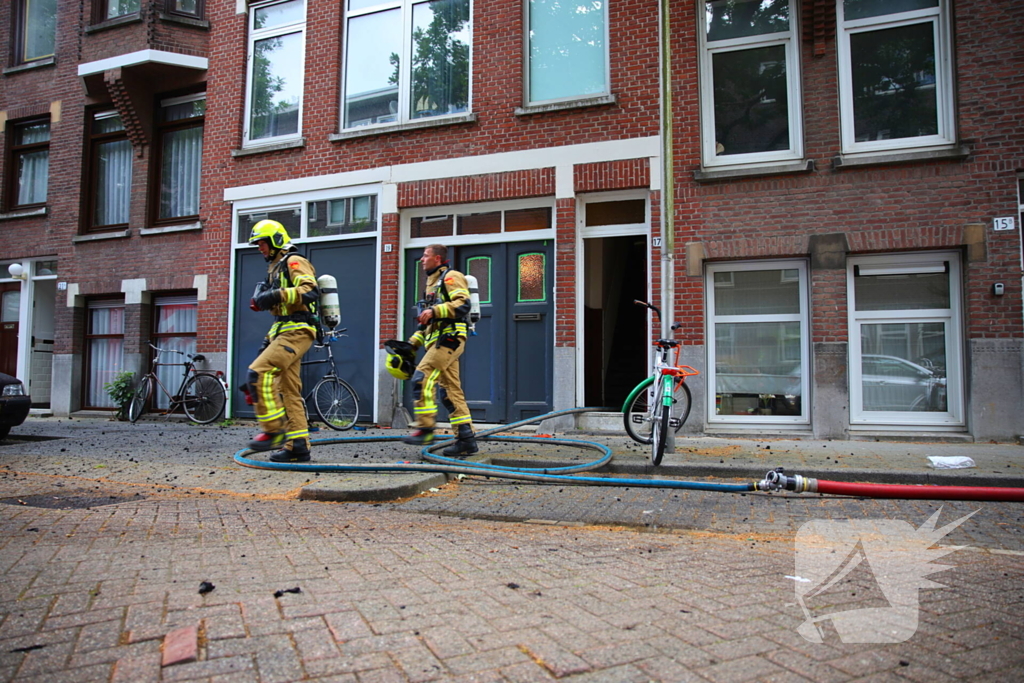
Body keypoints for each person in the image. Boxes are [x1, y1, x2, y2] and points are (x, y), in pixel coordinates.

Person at [245, 220, 319, 462]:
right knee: (289, 391)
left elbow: (310, 290)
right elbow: (279, 317)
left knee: (259, 373)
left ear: (276, 240)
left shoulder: (293, 261)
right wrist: (266, 344)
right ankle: (297, 445)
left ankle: (273, 430)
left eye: (262, 243)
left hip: (298, 329)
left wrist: (275, 294)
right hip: (285, 329)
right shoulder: (275, 268)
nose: (259, 248)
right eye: (257, 244)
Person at [402, 244, 478, 456]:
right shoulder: (431, 285)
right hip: (439, 341)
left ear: (437, 258)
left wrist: (435, 310)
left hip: (450, 338)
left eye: (425, 256)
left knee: (421, 378)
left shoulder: (451, 277)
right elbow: (427, 323)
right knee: (450, 392)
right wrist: (412, 344)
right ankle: (466, 439)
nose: (421, 259)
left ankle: (425, 428)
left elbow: (463, 304)